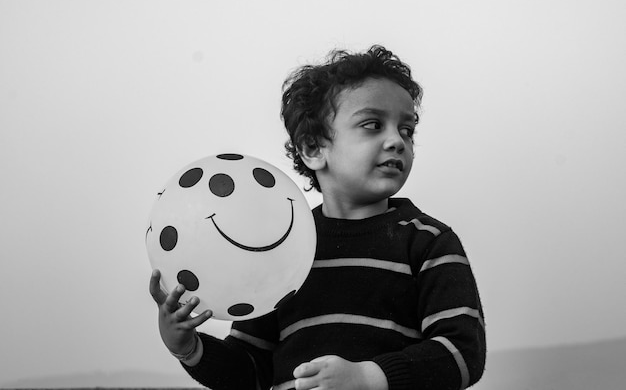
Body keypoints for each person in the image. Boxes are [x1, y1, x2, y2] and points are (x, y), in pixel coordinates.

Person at [149, 45, 486, 390]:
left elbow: (463, 352)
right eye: (373, 125)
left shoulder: (429, 241)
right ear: (313, 149)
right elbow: (251, 371)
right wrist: (191, 349)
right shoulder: (282, 250)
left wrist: (371, 378)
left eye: (406, 129)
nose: (396, 141)